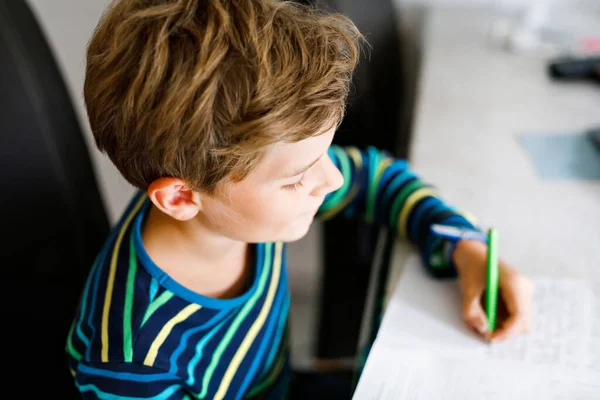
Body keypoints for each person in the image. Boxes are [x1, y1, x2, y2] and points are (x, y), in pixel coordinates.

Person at [65, 0, 534, 398]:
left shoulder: (230, 205)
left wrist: (464, 248)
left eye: (324, 152)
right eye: (296, 179)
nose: (331, 180)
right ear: (181, 198)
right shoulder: (133, 362)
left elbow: (377, 179)